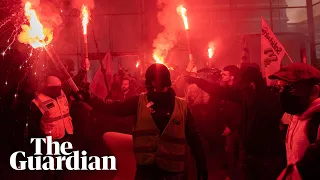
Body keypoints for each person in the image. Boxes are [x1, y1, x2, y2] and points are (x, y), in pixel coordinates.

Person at [92, 63, 208, 180]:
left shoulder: (181, 106)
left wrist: (202, 165)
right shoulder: (140, 102)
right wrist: (90, 98)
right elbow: (113, 108)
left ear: (152, 83)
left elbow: (194, 139)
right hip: (148, 172)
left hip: (171, 173)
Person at [185, 64, 285, 180]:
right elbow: (219, 91)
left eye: (244, 82)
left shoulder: (268, 97)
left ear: (251, 83)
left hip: (264, 151)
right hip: (249, 147)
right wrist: (198, 81)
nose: (241, 85)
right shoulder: (245, 94)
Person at [268, 63, 320, 179]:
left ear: (314, 91)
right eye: (280, 88)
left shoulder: (316, 121)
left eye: (290, 89)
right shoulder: (296, 115)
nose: (283, 95)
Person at [28, 75, 73, 179]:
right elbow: (33, 124)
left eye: (60, 87)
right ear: (49, 87)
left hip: (65, 134)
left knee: (64, 164)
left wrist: (83, 70)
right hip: (51, 140)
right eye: (57, 87)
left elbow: (72, 84)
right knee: (51, 167)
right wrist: (37, 142)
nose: (60, 89)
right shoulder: (39, 101)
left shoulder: (61, 93)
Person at [218, 65, 242, 180]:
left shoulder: (238, 91)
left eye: (224, 74)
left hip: (235, 128)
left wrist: (231, 127)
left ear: (232, 77)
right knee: (229, 151)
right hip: (229, 126)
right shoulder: (228, 89)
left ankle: (232, 175)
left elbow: (240, 112)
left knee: (232, 151)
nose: (221, 76)